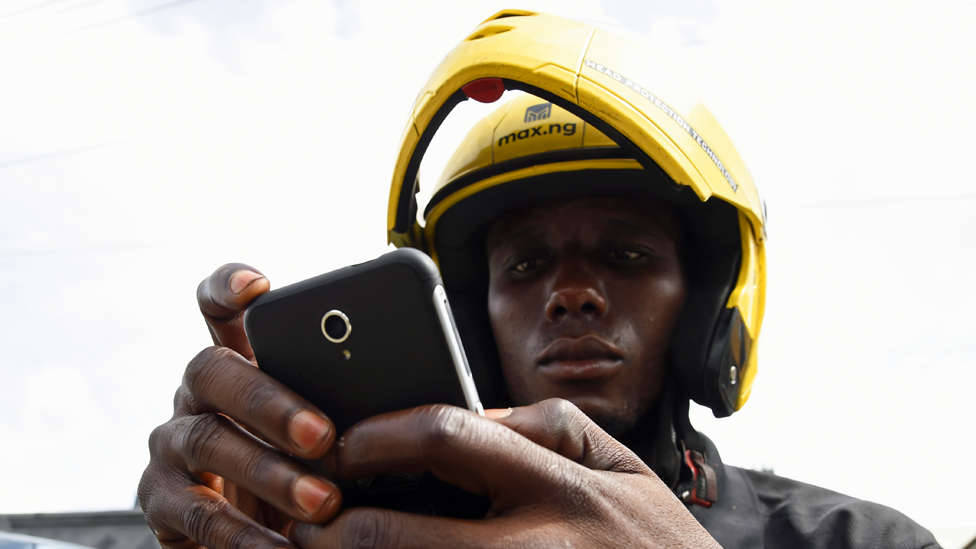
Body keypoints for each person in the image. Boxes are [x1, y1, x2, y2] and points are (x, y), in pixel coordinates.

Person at [137, 10, 940, 549]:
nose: (571, 293)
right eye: (524, 264)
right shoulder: (370, 531)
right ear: (471, 320)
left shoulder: (862, 539)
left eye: (627, 255)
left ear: (704, 306)